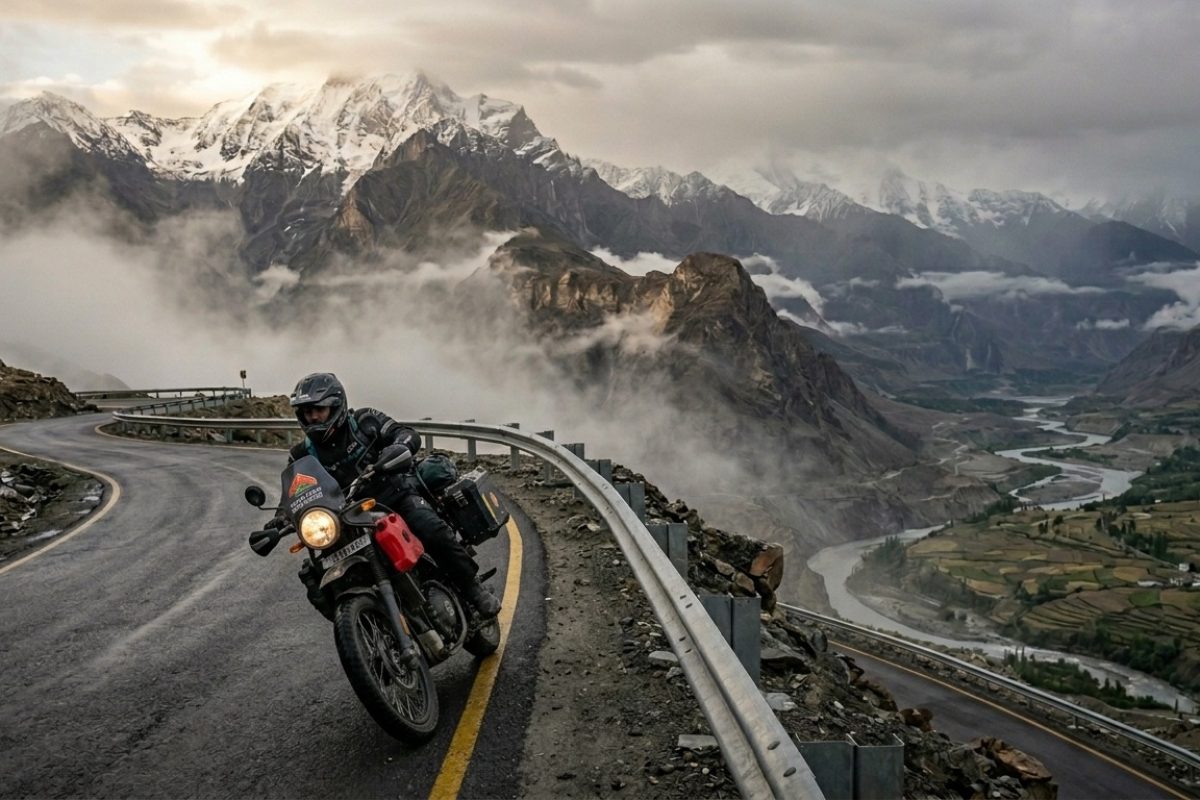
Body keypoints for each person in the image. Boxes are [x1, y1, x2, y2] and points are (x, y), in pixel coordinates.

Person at [285, 372, 500, 618]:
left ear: (336, 406)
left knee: (428, 527)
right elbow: (294, 490)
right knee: (314, 571)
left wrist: (399, 446)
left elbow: (405, 433)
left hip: (393, 495)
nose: (312, 416)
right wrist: (281, 518)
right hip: (348, 518)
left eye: (318, 409)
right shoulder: (302, 453)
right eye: (305, 412)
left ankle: (473, 589)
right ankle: (361, 624)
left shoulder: (365, 421)